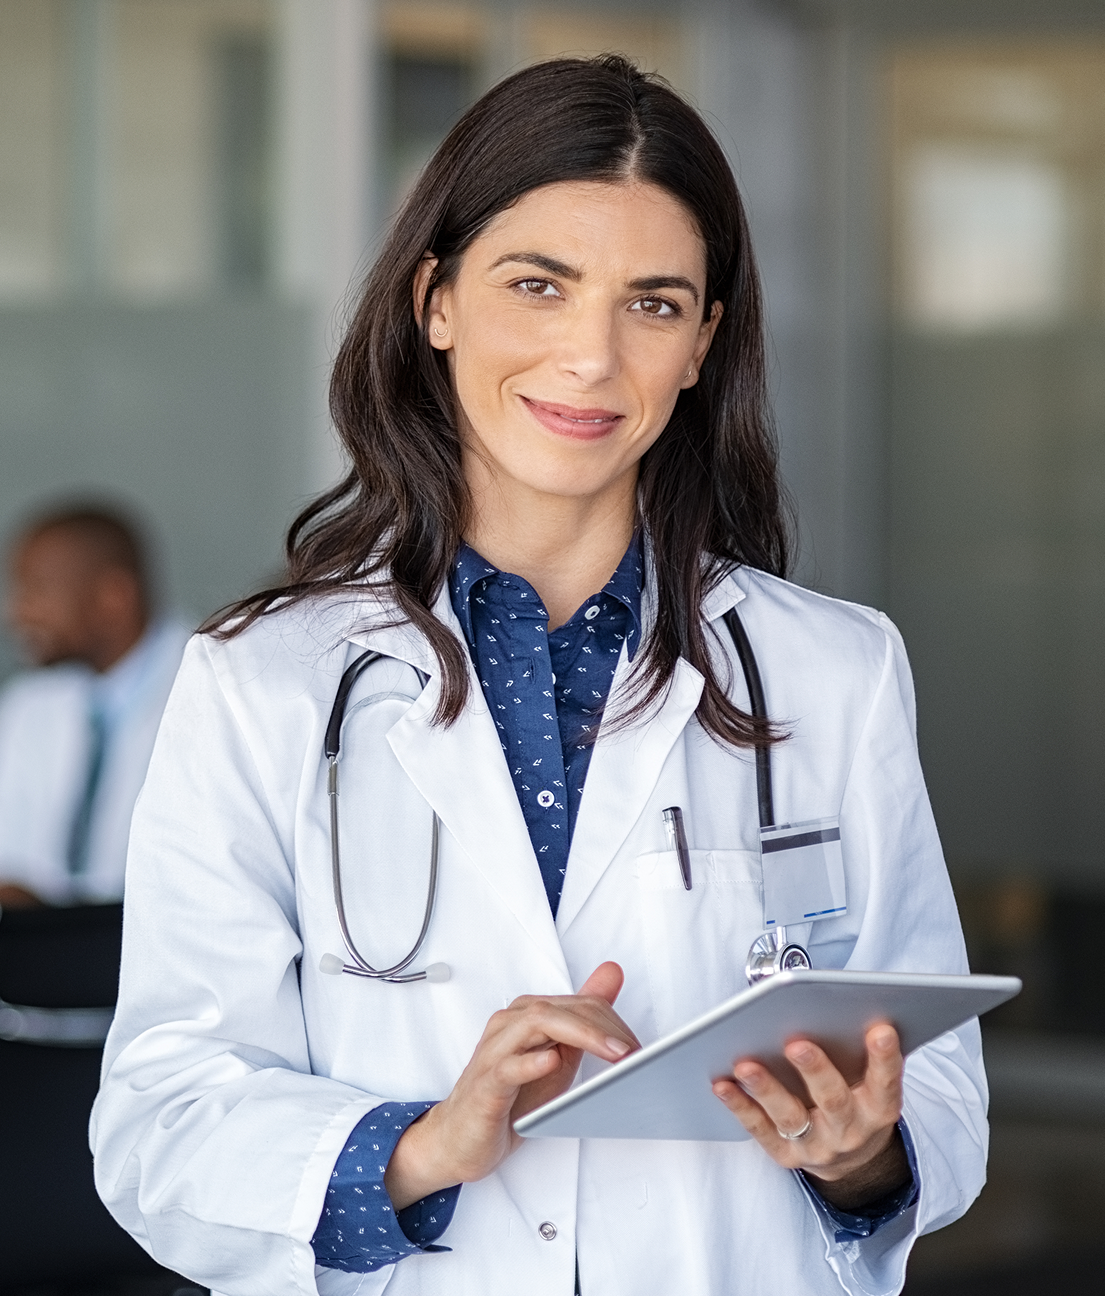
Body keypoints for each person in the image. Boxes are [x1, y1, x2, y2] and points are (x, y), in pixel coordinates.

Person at [92, 57, 986, 1296]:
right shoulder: (263, 683)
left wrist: (860, 1155)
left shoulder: (832, 671)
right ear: (436, 300)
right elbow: (160, 1119)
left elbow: (936, 1079)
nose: (591, 356)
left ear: (701, 346)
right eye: (539, 285)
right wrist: (418, 1148)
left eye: (654, 303)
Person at [0, 504, 189, 907]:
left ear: (112, 598)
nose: (16, 614)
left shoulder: (211, 692)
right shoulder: (28, 705)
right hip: (41, 955)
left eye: (37, 591)